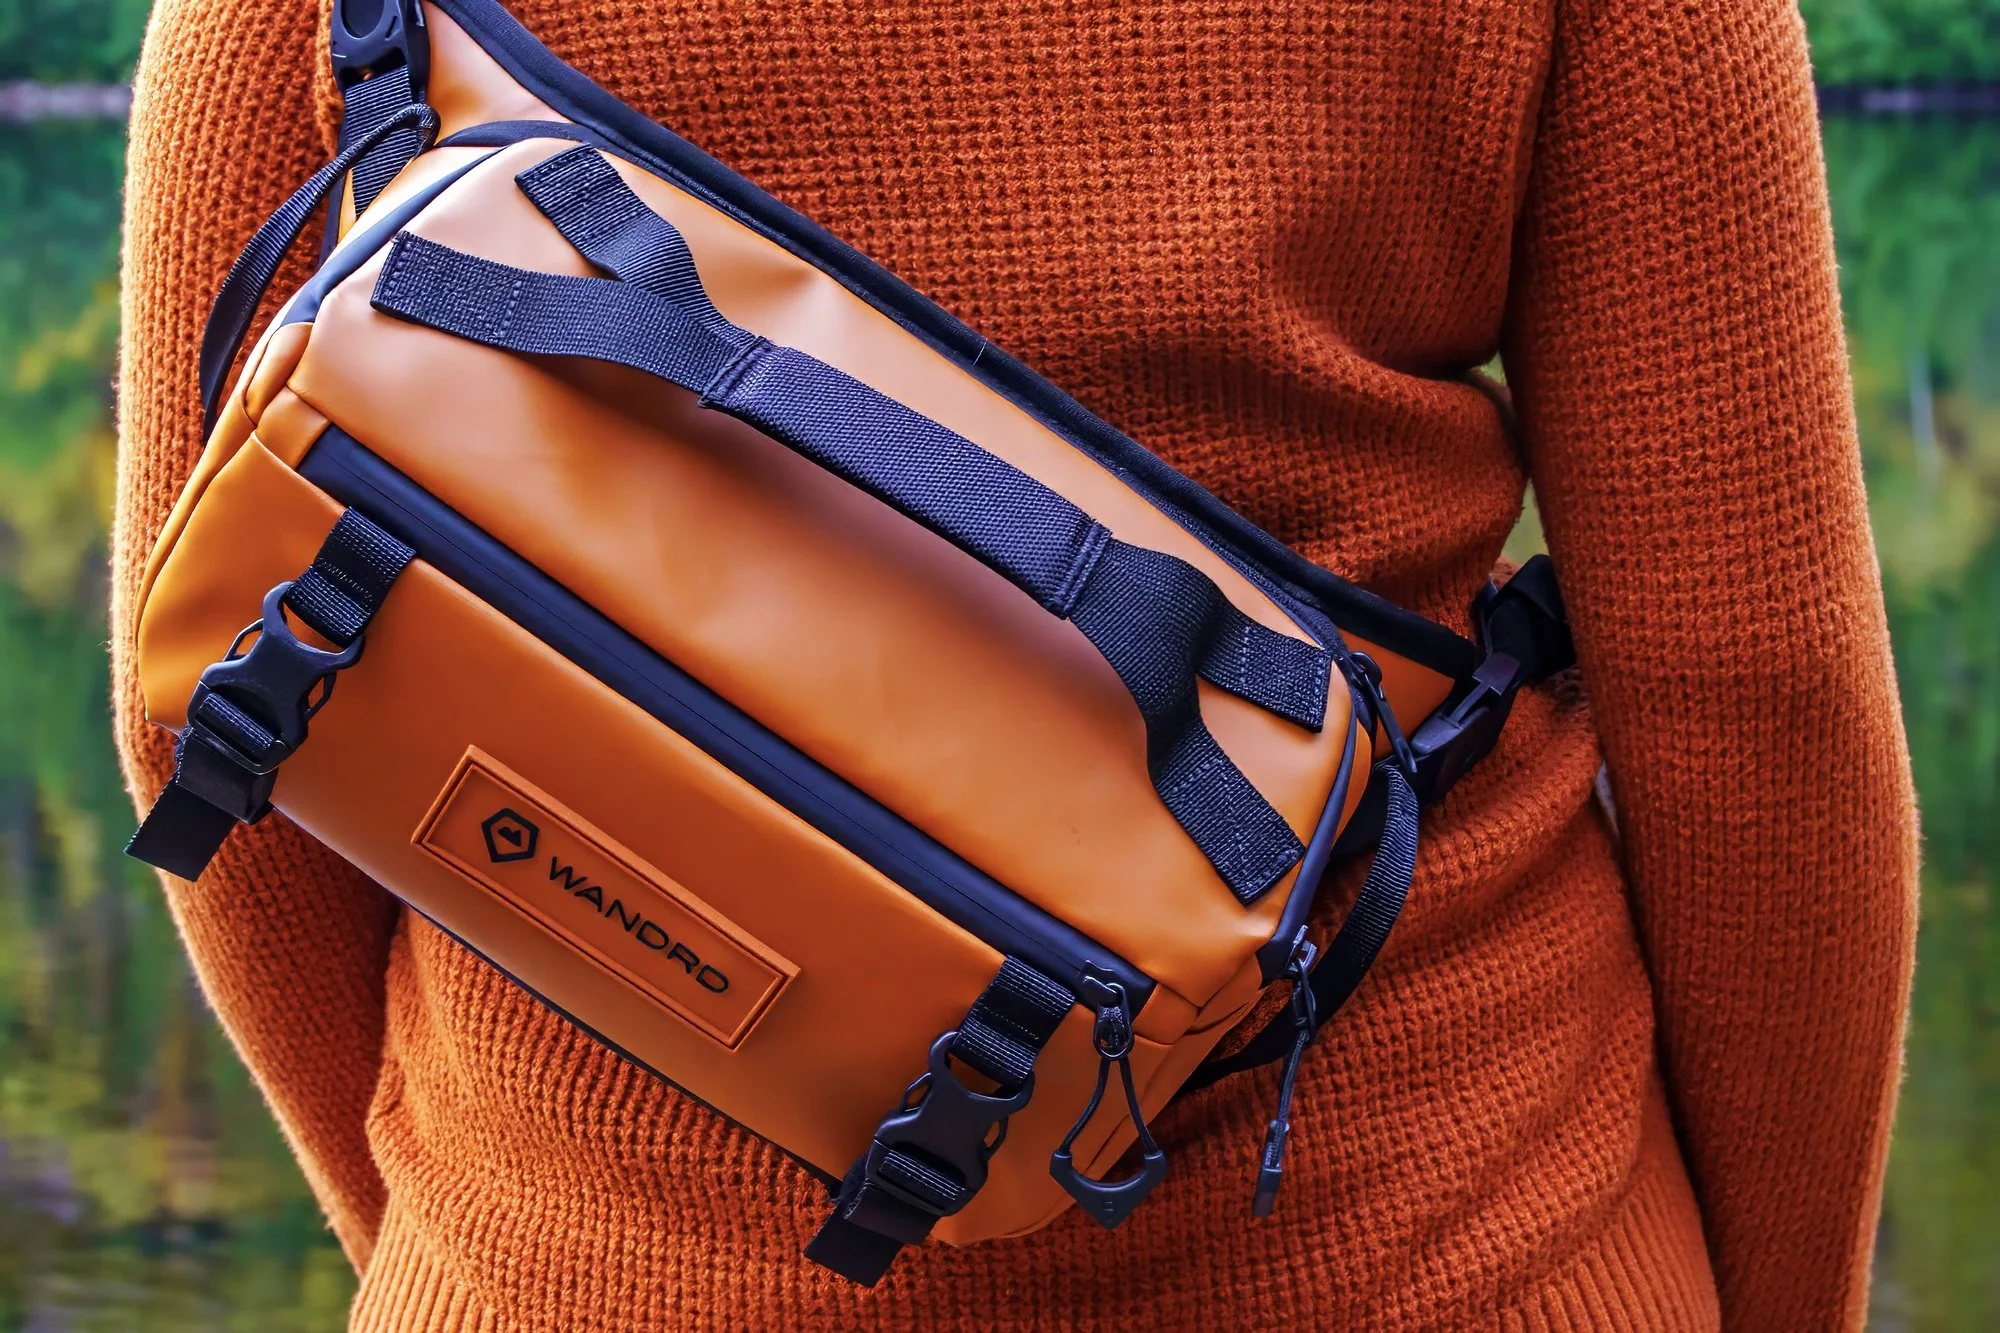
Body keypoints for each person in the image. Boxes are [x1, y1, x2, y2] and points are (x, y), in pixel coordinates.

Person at [113, 0, 1919, 1326]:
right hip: (1453, 1245)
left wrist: (469, 1236)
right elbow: (1757, 712)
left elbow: (207, 688)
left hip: (567, 1261)